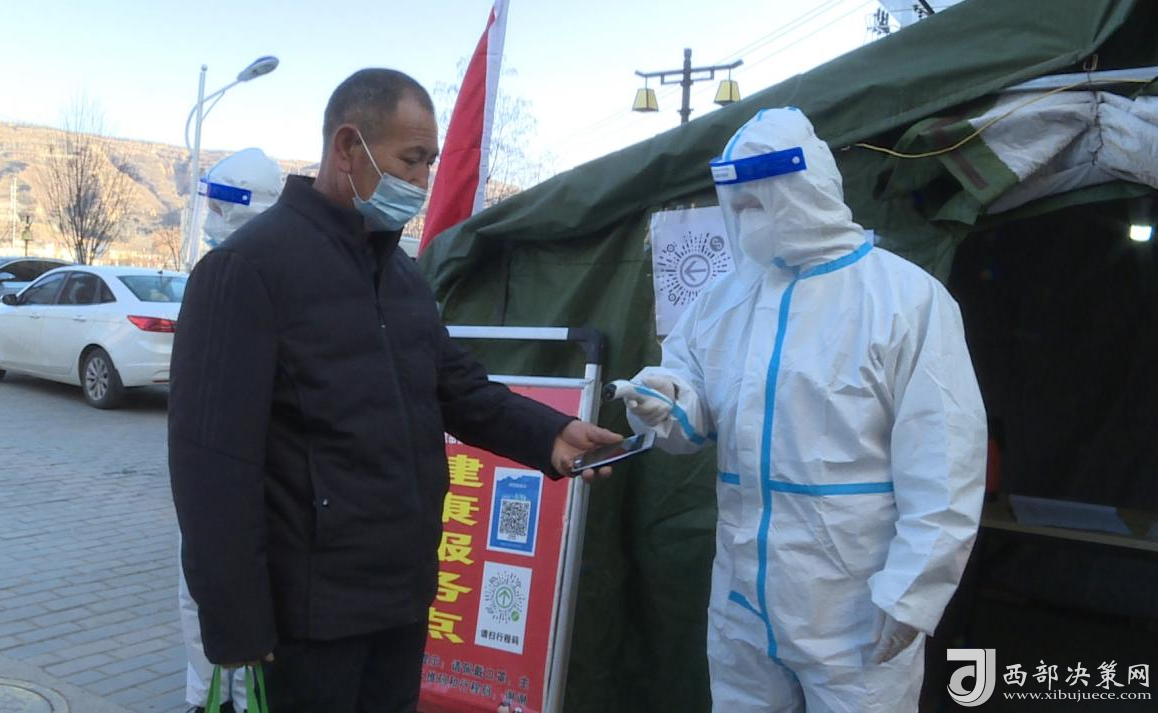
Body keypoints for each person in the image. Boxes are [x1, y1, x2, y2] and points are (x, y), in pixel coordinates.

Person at [168, 68, 620, 713]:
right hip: (308, 616)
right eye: (412, 160)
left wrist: (551, 434)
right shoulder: (247, 269)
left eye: (430, 162)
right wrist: (235, 619)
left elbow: (458, 387)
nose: (423, 181)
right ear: (348, 148)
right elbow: (211, 462)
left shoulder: (400, 277)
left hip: (401, 597)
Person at [619, 107, 986, 712]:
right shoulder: (725, 299)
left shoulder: (906, 300)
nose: (745, 218)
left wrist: (911, 593)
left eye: (757, 203)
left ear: (802, 191)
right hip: (742, 601)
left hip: (852, 608)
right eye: (737, 205)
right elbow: (693, 407)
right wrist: (666, 402)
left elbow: (946, 465)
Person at [176, 147, 284, 713]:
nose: (212, 220)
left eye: (223, 208)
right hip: (212, 480)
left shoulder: (270, 274)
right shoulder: (219, 272)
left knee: (237, 598)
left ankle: (237, 698)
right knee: (199, 595)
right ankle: (206, 696)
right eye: (210, 207)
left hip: (256, 484)